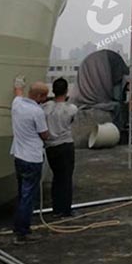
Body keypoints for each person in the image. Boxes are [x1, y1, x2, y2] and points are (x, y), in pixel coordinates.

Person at [10, 77, 49, 244]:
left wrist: (19, 82)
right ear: (39, 96)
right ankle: (23, 233)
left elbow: (18, 91)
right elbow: (44, 134)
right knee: (28, 197)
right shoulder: (37, 112)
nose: (45, 99)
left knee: (22, 194)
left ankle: (18, 226)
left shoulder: (17, 104)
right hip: (32, 158)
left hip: (19, 156)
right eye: (44, 96)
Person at [43, 77, 78, 218]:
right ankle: (65, 210)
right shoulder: (71, 109)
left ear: (53, 90)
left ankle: (56, 208)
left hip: (50, 147)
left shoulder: (46, 108)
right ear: (66, 91)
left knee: (57, 177)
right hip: (65, 145)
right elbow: (72, 121)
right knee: (66, 178)